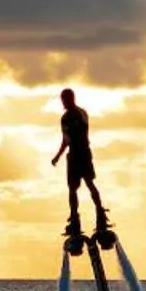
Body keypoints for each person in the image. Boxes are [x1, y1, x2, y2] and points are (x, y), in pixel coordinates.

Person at [48, 87, 97, 241]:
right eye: (63, 100)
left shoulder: (79, 114)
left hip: (82, 153)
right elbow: (66, 140)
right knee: (72, 189)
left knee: (89, 183)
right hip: (74, 155)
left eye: (66, 99)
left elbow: (80, 134)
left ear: (72, 98)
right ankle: (75, 219)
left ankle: (100, 214)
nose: (64, 102)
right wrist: (57, 156)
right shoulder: (65, 118)